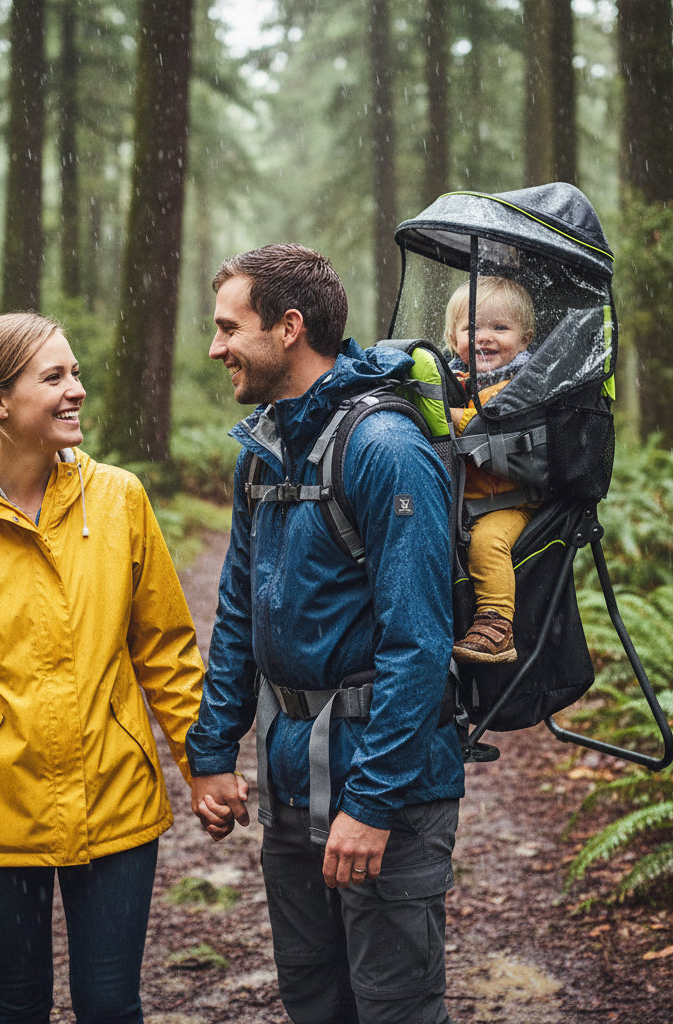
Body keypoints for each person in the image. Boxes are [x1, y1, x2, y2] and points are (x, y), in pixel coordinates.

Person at [0, 312, 204, 1024]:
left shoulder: (119, 499)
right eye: (54, 377)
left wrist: (201, 765)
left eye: (76, 372)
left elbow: (167, 651)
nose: (76, 390)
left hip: (114, 798)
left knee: (112, 1006)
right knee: (16, 1006)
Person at [185, 244, 464, 1024]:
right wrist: (211, 754)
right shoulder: (263, 452)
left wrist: (371, 806)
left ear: (289, 327)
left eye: (228, 327)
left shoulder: (384, 450)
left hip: (389, 784)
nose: (216, 348)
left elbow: (419, 645)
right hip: (290, 781)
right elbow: (238, 612)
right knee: (313, 998)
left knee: (393, 1007)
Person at [445, 276, 539, 666]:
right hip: (465, 502)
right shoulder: (455, 380)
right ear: (454, 339)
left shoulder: (523, 382)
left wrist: (434, 410)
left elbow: (481, 416)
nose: (485, 337)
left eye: (500, 328)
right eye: (473, 327)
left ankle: (497, 623)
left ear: (525, 340)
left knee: (487, 544)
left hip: (510, 502)